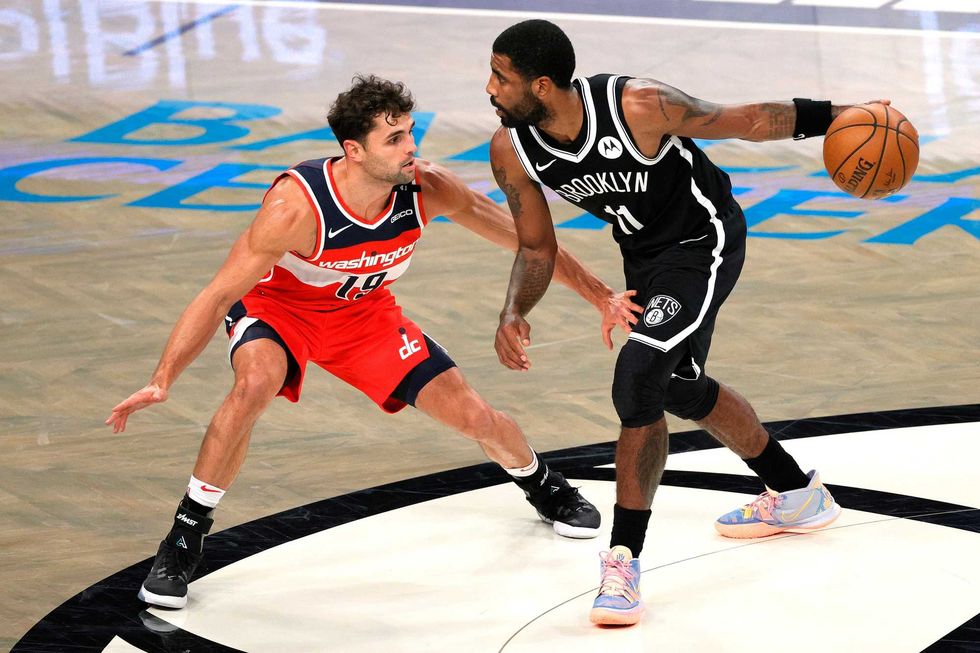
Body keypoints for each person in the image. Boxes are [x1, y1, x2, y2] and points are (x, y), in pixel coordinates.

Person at [106, 74, 644, 610]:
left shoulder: (428, 188)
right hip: (280, 309)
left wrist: (600, 296)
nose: (411, 148)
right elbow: (219, 293)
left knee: (474, 415)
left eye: (410, 133)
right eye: (394, 139)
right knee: (254, 384)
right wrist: (162, 379)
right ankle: (184, 538)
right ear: (354, 150)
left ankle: (542, 482)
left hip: (364, 317)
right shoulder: (295, 208)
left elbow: (531, 242)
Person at [486, 20, 855, 626]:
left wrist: (842, 116)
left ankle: (622, 562)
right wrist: (514, 311)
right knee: (678, 386)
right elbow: (535, 247)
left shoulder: (638, 105)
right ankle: (796, 494)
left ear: (543, 85)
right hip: (644, 258)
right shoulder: (512, 148)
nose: (490, 88)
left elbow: (746, 120)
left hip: (704, 241)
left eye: (501, 77)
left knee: (638, 377)